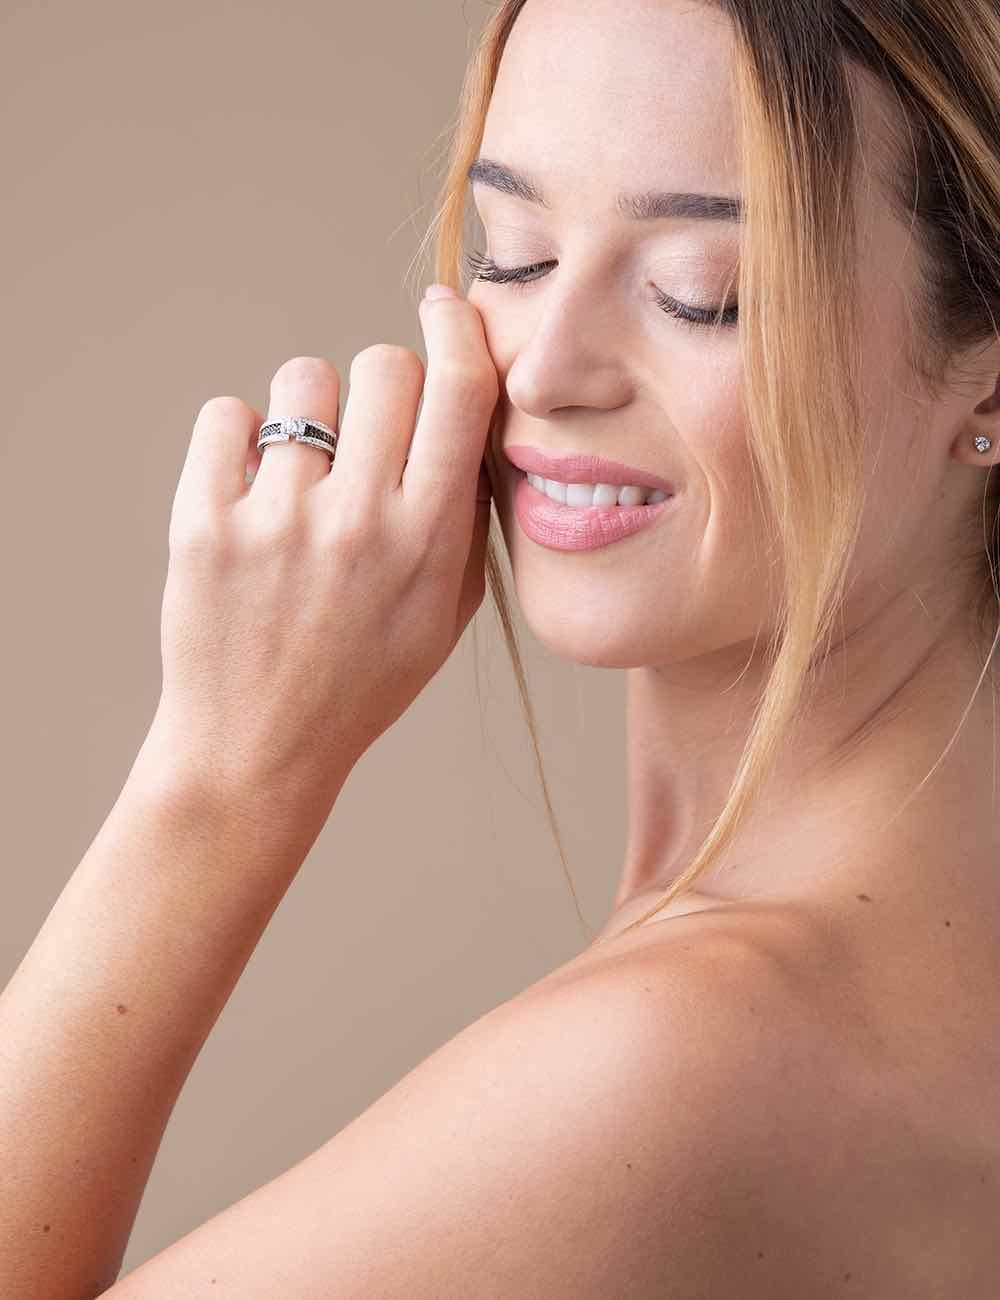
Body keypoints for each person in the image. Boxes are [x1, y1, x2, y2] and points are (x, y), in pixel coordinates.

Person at [2, 0, 999, 1295]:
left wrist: (224, 767)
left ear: (983, 379)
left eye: (708, 294)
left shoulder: (670, 1066)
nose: (548, 367)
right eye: (513, 255)